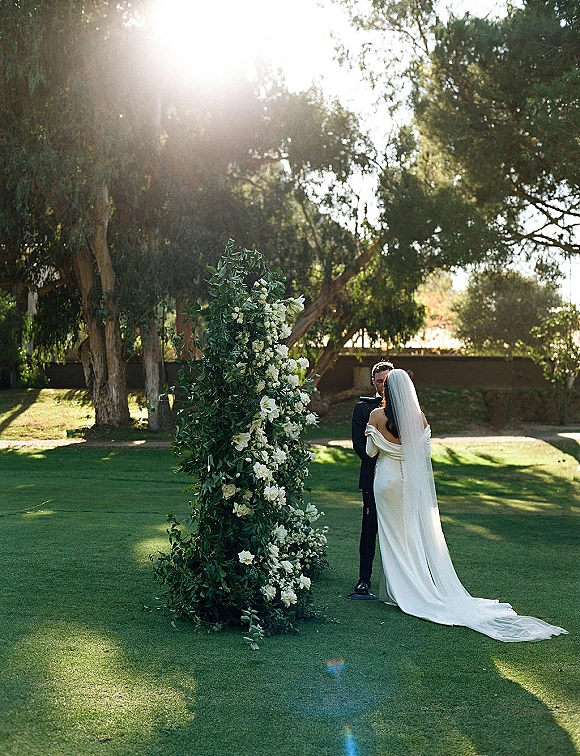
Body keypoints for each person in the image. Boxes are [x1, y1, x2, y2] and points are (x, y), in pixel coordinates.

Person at [365, 368, 567, 642]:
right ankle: (403, 589)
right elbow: (423, 453)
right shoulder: (419, 418)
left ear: (387, 390)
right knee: (410, 534)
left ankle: (401, 592)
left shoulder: (376, 416)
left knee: (392, 538)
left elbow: (370, 452)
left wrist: (383, 442)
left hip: (387, 481)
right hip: (410, 483)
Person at [348, 360, 393, 600]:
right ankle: (364, 580)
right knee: (369, 530)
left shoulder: (406, 407)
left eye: (387, 381)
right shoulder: (363, 408)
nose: (383, 385)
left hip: (398, 478)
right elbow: (357, 444)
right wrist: (377, 465)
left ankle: (399, 583)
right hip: (372, 477)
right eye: (378, 381)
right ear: (373, 382)